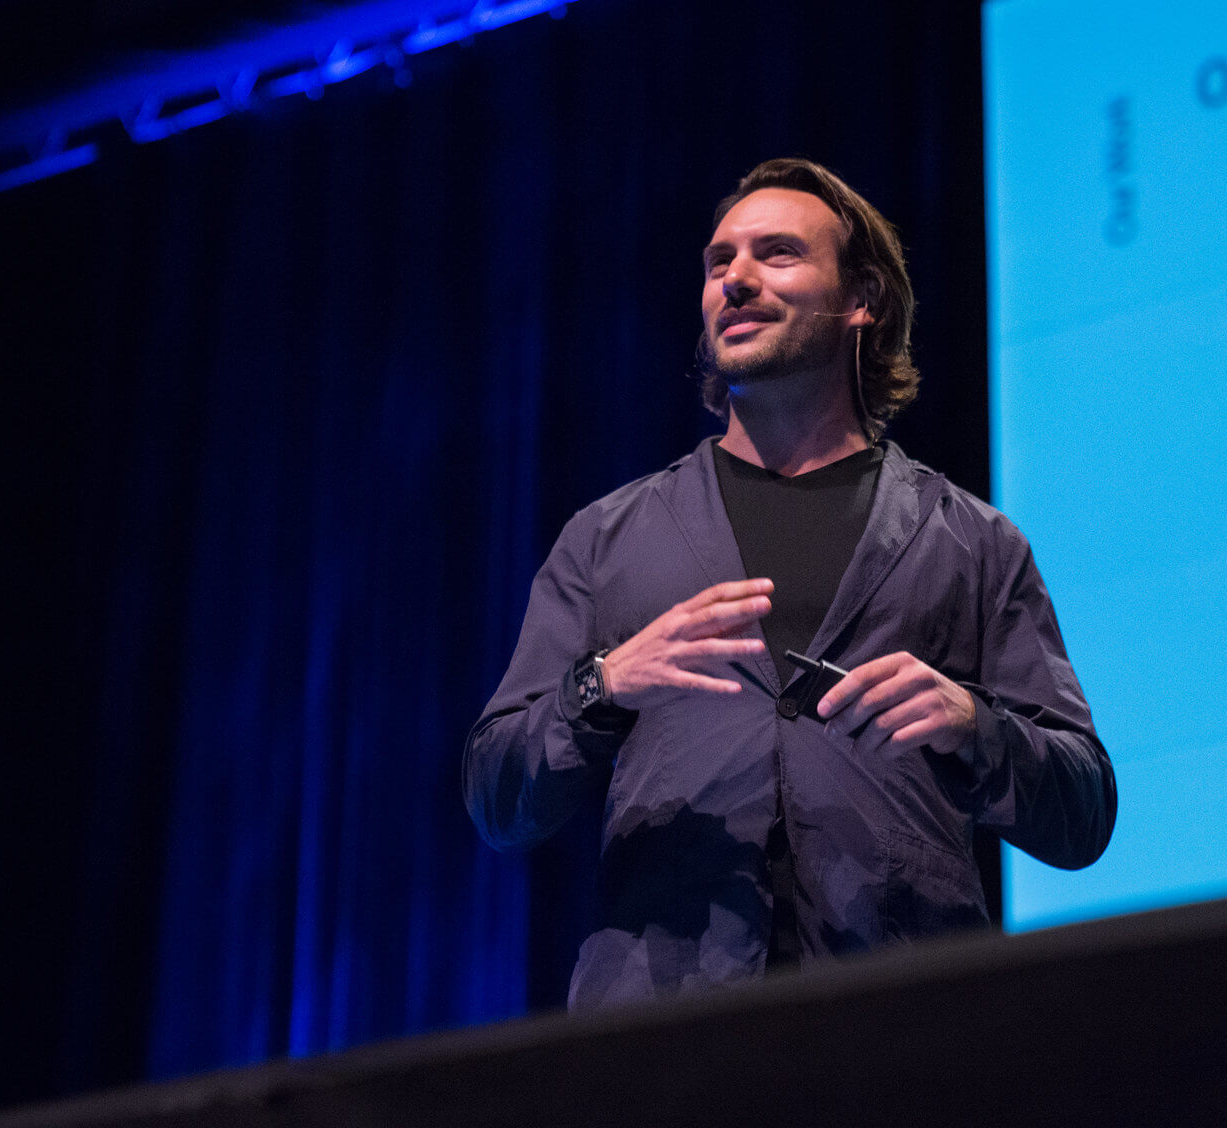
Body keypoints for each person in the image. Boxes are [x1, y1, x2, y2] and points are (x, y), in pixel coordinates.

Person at [463, 158, 1115, 1008]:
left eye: (776, 254)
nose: (734, 279)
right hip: (666, 1029)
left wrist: (973, 726)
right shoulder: (608, 538)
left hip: (901, 1024)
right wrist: (604, 683)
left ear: (862, 299)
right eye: (717, 261)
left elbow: (1081, 815)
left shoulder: (971, 541)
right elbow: (497, 799)